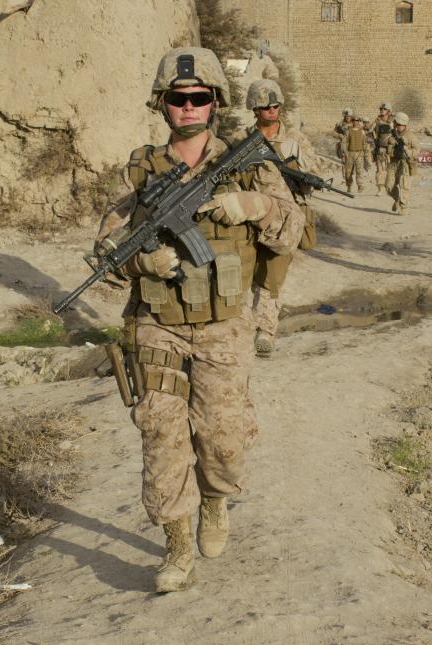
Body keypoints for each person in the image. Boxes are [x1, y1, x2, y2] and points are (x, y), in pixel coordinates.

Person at [94, 47, 305, 593]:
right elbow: (107, 252)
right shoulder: (141, 173)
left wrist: (254, 207)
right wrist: (141, 260)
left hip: (224, 323)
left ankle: (215, 502)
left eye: (199, 97)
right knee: (161, 433)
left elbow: (293, 231)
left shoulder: (251, 166)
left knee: (225, 440)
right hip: (157, 323)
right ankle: (177, 546)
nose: (188, 107)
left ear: (215, 102)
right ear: (162, 105)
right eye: (177, 98)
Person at [243, 78, 316, 357]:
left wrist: (297, 170)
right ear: (254, 108)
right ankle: (242, 327)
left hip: (285, 220)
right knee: (243, 273)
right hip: (248, 217)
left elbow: (312, 178)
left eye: (275, 105)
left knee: (271, 276)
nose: (271, 110)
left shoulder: (295, 140)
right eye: (265, 106)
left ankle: (265, 330)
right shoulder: (243, 141)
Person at [382, 112, 419, 215]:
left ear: (404, 124)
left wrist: (407, 151)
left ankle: (404, 207)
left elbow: (417, 150)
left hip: (404, 163)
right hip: (393, 162)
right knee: (388, 186)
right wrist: (390, 140)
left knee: (404, 185)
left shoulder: (410, 136)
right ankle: (397, 199)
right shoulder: (392, 133)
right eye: (396, 124)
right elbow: (383, 142)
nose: (397, 126)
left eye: (399, 124)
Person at [339, 116, 368, 193]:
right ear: (352, 122)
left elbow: (365, 143)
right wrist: (345, 152)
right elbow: (344, 142)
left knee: (359, 171)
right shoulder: (348, 131)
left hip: (359, 153)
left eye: (357, 120)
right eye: (354, 120)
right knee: (348, 172)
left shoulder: (362, 131)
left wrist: (366, 153)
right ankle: (349, 185)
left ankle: (360, 186)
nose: (355, 122)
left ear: (359, 121)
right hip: (350, 153)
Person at [371, 102, 394, 195]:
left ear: (388, 111)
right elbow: (371, 132)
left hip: (390, 149)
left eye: (384, 109)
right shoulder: (377, 121)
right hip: (380, 148)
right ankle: (380, 188)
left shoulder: (393, 122)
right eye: (381, 109)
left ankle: (390, 187)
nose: (381, 111)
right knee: (379, 170)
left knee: (390, 169)